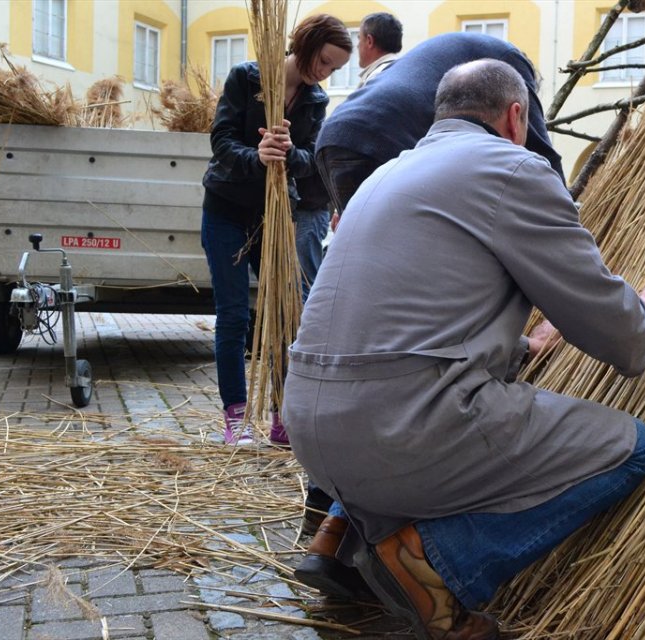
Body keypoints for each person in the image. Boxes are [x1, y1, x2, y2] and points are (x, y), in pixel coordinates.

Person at [282, 60, 645, 638]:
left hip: (310, 426)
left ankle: (340, 536)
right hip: (395, 429)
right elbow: (594, 305)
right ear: (515, 116)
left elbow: (406, 322)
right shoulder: (512, 168)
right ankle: (432, 566)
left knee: (406, 440)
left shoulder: (387, 174)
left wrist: (524, 344)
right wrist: (639, 321)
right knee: (630, 447)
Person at [200, 14, 351, 446]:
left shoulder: (315, 100)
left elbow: (312, 159)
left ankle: (282, 412)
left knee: (283, 314)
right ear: (306, 45)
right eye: (324, 61)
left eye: (334, 68)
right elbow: (221, 141)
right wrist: (258, 155)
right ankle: (236, 417)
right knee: (234, 315)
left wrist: (288, 152)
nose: (324, 73)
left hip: (277, 215)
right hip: (227, 210)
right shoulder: (247, 78)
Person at [314, 32, 564, 224]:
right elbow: (542, 157)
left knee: (365, 242)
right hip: (384, 138)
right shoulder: (511, 66)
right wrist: (566, 220)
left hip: (333, 136)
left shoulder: (459, 58)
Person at [356, 12, 402, 87]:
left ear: (369, 41)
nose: (357, 46)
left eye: (359, 39)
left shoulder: (375, 79)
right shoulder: (402, 71)